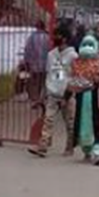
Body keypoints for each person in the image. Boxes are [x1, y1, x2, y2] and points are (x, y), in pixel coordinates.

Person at [28, 23, 78, 158]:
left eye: (57, 35)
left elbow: (75, 77)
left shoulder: (73, 56)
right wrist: (43, 94)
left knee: (70, 123)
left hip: (67, 94)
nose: (54, 37)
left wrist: (68, 94)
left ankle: (69, 146)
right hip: (52, 93)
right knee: (48, 120)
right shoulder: (51, 55)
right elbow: (49, 74)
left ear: (65, 38)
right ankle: (43, 146)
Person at [69, 34, 99, 166]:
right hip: (81, 98)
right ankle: (87, 151)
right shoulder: (76, 62)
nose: (88, 47)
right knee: (83, 125)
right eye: (85, 45)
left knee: (98, 124)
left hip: (96, 98)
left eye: (91, 45)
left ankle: (97, 153)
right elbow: (71, 79)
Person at [22, 20, 50, 104]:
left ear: (36, 27)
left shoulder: (31, 37)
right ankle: (42, 98)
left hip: (34, 65)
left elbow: (27, 50)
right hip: (45, 64)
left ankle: (36, 98)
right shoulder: (47, 37)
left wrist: (27, 62)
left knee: (35, 82)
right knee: (43, 82)